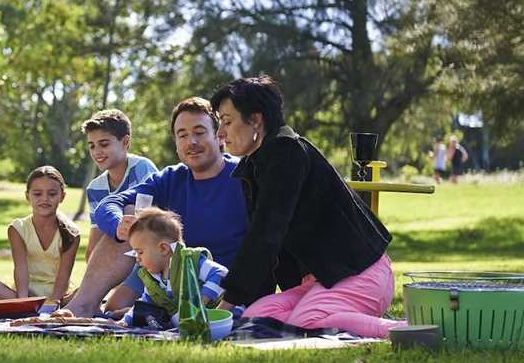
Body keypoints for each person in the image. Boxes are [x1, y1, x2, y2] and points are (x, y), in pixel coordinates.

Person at [212, 76, 406, 338]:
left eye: (227, 121)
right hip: (319, 282)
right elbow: (265, 250)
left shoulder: (287, 152)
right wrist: (237, 306)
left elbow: (265, 235)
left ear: (256, 119)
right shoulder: (256, 165)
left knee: (307, 321)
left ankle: (406, 331)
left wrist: (225, 305)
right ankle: (329, 315)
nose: (220, 133)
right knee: (255, 318)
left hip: (360, 274)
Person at [58, 97, 250, 318]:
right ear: (175, 141)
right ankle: (82, 306)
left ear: (219, 135)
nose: (191, 142)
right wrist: (118, 224)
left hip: (222, 288)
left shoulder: (245, 176)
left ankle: (140, 314)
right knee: (130, 217)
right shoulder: (170, 178)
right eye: (183, 135)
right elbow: (108, 205)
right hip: (169, 281)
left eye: (199, 132)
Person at [0, 166, 81, 305]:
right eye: (37, 194)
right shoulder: (18, 229)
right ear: (28, 196)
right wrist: (23, 302)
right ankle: (22, 310)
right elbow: (20, 268)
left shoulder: (72, 233)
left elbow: (64, 276)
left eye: (52, 194)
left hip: (59, 298)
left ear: (62, 196)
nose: (45, 199)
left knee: (90, 289)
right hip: (26, 295)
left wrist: (53, 303)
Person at [121, 207, 227, 328]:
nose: (137, 258)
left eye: (140, 252)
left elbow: (220, 273)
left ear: (163, 249)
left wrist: (199, 304)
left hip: (222, 315)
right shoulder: (154, 277)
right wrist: (124, 321)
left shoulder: (188, 259)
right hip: (191, 323)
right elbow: (145, 301)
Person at [83, 109, 158, 261]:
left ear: (125, 142)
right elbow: (95, 241)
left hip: (153, 249)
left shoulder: (142, 168)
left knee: (129, 210)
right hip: (121, 255)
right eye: (92, 146)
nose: (97, 152)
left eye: (104, 144)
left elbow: (152, 222)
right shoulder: (94, 188)